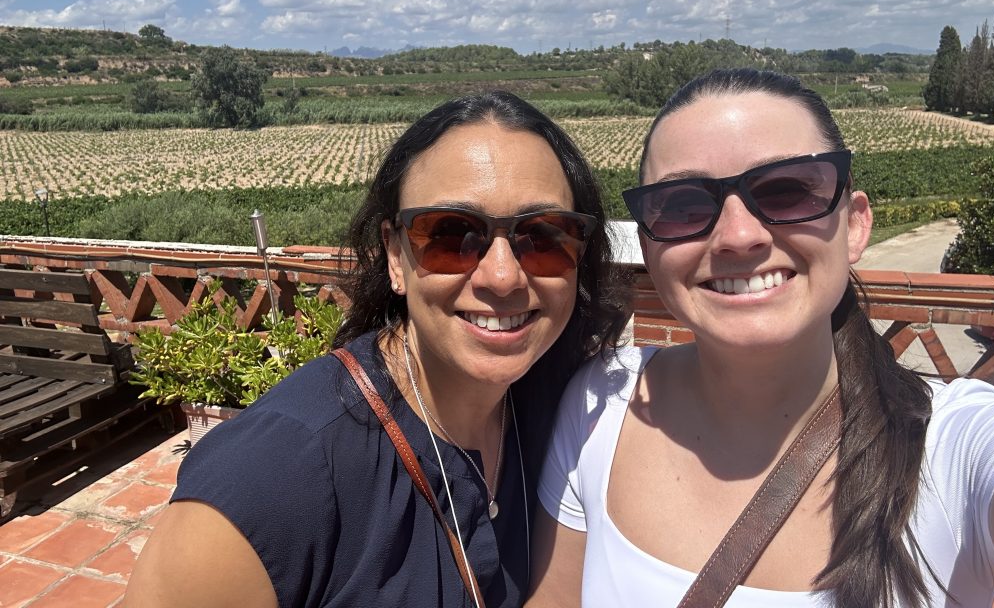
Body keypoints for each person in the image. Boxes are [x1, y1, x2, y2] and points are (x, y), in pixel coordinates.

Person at [528, 69, 994, 608]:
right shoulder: (601, 402)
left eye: (787, 192)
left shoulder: (956, 448)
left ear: (856, 225)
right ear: (648, 248)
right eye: (684, 206)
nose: (740, 236)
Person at [127, 91, 629, 608]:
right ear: (394, 255)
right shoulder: (272, 477)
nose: (502, 277)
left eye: (544, 236)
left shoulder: (567, 409)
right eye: (451, 234)